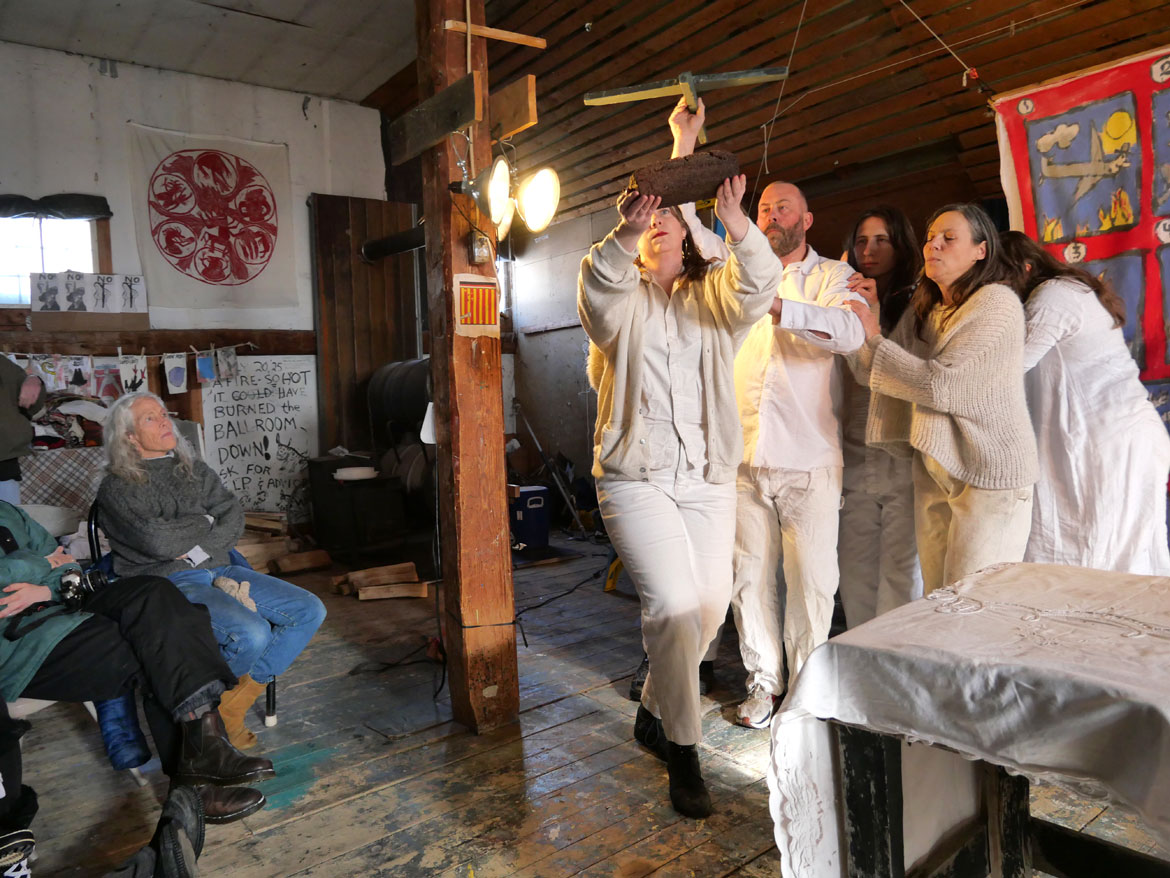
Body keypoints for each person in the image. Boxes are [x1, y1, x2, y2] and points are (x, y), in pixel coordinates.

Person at [579, 131, 780, 819]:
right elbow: (597, 288)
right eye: (648, 220)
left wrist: (739, 224)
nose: (658, 226)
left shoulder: (714, 301)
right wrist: (615, 236)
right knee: (669, 605)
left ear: (689, 236)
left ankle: (650, 707)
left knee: (708, 606)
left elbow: (760, 284)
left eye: (668, 218)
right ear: (636, 234)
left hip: (707, 477)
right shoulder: (619, 300)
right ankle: (685, 752)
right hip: (635, 478)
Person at [671, 104, 866, 728]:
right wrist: (686, 138)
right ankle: (764, 685)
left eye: (783, 208)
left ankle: (808, 697)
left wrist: (776, 304)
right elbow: (681, 220)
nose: (770, 215)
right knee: (749, 581)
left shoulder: (836, 275)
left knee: (812, 587)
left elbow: (848, 333)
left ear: (806, 219)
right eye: (763, 208)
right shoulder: (731, 269)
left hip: (810, 463)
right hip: (744, 459)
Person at [0, 498, 274, 874]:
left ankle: (205, 746)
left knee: (154, 593)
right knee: (159, 646)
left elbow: (64, 562)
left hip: (63, 605)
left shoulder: (5, 510)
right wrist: (42, 566)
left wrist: (45, 584)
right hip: (24, 644)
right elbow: (34, 568)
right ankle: (198, 786)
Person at [96, 392, 326, 750]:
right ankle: (204, 716)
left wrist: (198, 543)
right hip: (164, 579)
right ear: (128, 436)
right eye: (150, 419)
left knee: (309, 609)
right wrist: (204, 519)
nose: (164, 422)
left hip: (218, 565)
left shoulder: (192, 468)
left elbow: (233, 516)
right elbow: (158, 544)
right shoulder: (118, 485)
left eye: (163, 414)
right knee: (250, 635)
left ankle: (227, 707)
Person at [847, 204, 1038, 595]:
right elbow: (874, 373)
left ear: (980, 250)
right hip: (937, 468)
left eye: (948, 238)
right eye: (932, 236)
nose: (933, 244)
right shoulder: (931, 309)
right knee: (938, 600)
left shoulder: (996, 304)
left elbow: (942, 387)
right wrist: (868, 316)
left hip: (989, 475)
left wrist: (872, 337)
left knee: (973, 604)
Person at [999, 231, 1170, 574]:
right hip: (1110, 440)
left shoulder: (1055, 296)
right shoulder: (1066, 291)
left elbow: (1005, 369)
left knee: (1102, 560)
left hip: (1110, 444)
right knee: (1116, 557)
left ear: (1026, 268)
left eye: (997, 279)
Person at [838, 207, 924, 627]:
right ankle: (861, 660)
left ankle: (896, 665)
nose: (868, 251)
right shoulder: (842, 297)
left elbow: (895, 371)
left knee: (902, 575)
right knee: (854, 573)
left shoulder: (923, 301)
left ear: (901, 245)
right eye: (861, 241)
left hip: (903, 453)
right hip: (855, 450)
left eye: (881, 240)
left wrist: (871, 318)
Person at [0, 358, 45, 505]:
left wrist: (34, 380)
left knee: (10, 524)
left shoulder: (3, 365)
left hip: (3, 464)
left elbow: (33, 403)